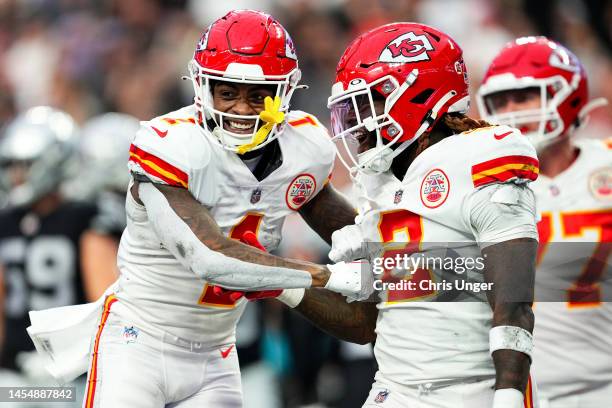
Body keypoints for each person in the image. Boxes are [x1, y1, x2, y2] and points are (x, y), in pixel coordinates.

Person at [72, 10, 366, 408]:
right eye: (228, 92)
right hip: (137, 343)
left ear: (284, 92)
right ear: (202, 87)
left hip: (216, 353)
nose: (242, 109)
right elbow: (208, 255)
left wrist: (403, 266)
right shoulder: (170, 144)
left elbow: (355, 237)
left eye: (257, 94)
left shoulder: (304, 148)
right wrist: (325, 275)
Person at [280, 22, 541, 408]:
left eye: (368, 104)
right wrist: (276, 277)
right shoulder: (382, 184)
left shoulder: (478, 159)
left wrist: (508, 395)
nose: (355, 125)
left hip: (469, 390)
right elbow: (367, 322)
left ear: (418, 96)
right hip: (392, 389)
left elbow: (513, 302)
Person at [477, 36, 611, 408]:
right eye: (499, 101)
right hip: (522, 389)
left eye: (524, 96)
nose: (510, 111)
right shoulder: (478, 183)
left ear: (566, 95)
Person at [0, 106, 117, 401]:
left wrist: (77, 357)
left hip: (70, 375)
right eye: (12, 164)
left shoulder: (85, 218)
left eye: (25, 164)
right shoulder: (6, 220)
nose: (16, 175)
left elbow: (107, 304)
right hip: (15, 370)